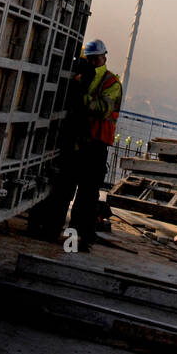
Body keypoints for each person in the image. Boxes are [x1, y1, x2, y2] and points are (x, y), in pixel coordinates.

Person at [32, 38, 122, 251]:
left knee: (86, 197)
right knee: (63, 190)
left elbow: (102, 108)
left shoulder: (111, 83)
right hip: (76, 144)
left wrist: (81, 96)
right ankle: (50, 231)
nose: (91, 62)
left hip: (95, 147)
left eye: (95, 58)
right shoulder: (82, 76)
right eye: (89, 59)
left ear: (104, 57)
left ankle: (77, 240)